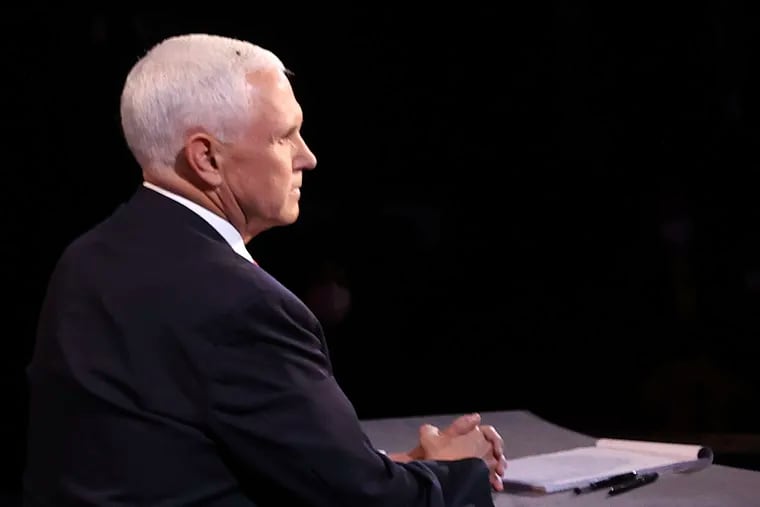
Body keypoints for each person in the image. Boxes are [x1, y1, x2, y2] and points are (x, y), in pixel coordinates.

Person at [23, 33, 506, 507]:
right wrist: (459, 470)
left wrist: (392, 464)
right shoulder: (236, 301)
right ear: (207, 158)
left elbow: (177, 458)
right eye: (284, 136)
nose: (307, 157)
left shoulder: (87, 259)